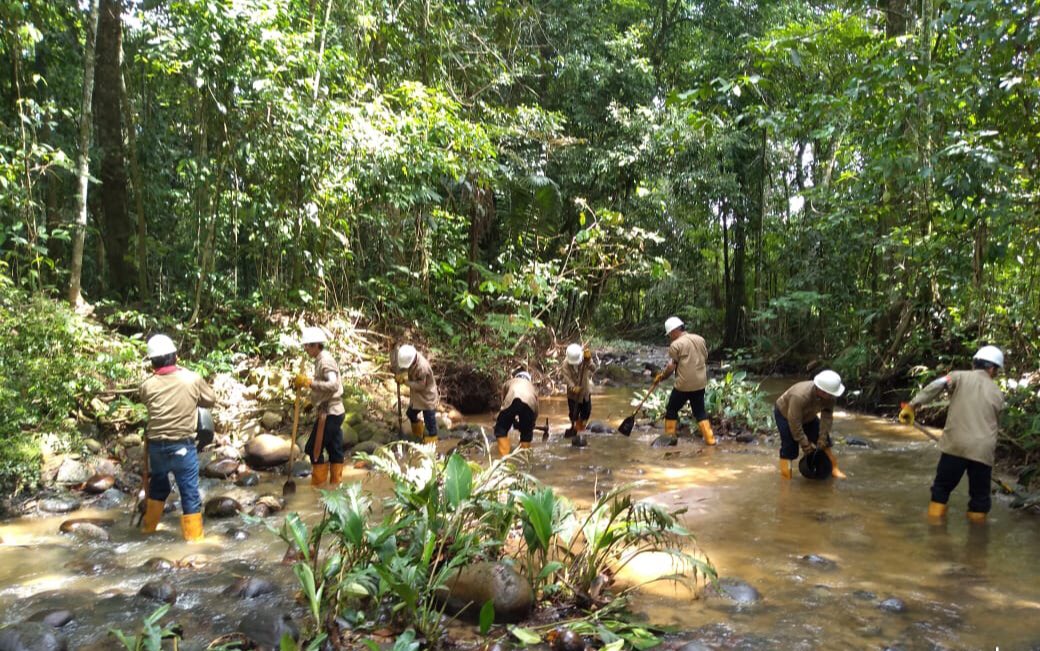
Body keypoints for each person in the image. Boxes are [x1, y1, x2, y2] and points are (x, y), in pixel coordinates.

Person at [900, 346, 1004, 523]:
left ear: (975, 363)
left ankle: (934, 530)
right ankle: (977, 542)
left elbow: (936, 386)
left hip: (955, 446)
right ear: (993, 369)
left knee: (941, 489)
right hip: (982, 451)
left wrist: (912, 405)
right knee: (980, 499)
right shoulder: (998, 393)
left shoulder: (958, 376)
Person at [139, 334, 216, 541]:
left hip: (156, 448)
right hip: (182, 446)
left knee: (159, 486)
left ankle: (148, 530)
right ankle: (194, 540)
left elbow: (147, 400)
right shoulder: (192, 378)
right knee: (189, 492)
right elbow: (210, 400)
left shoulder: (147, 385)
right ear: (175, 356)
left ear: (153, 361)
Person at [294, 327, 345, 487]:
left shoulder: (326, 360)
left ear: (316, 345)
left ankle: (318, 489)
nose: (306, 349)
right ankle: (336, 487)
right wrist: (312, 402)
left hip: (331, 413)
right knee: (334, 449)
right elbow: (324, 388)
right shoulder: (320, 359)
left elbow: (333, 384)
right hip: (331, 411)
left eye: (308, 346)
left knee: (312, 449)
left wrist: (309, 383)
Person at [774, 370, 847, 479]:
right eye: (831, 394)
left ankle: (834, 469)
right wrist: (805, 444)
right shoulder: (799, 396)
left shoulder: (830, 396)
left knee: (825, 442)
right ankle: (786, 478)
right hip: (785, 414)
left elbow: (826, 417)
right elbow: (795, 422)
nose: (833, 396)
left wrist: (822, 438)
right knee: (789, 448)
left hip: (809, 416)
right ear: (822, 391)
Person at [654, 317, 714, 446]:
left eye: (670, 333)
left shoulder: (676, 345)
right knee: (700, 412)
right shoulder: (700, 339)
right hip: (700, 383)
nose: (670, 336)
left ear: (675, 330)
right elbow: (705, 357)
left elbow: (671, 366)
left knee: (671, 409)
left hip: (683, 385)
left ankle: (669, 438)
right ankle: (710, 440)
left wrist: (662, 377)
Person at [396, 344, 439, 445]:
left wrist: (404, 382)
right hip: (417, 397)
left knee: (430, 425)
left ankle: (432, 444)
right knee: (411, 414)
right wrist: (400, 374)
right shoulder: (412, 359)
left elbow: (421, 386)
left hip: (427, 397)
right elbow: (403, 368)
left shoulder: (422, 367)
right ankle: (418, 435)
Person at [494, 371, 539, 457]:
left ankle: (504, 458)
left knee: (501, 429)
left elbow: (504, 403)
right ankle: (524, 457)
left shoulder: (509, 382)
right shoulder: (532, 387)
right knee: (526, 433)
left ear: (516, 377)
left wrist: (504, 419)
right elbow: (536, 408)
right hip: (530, 404)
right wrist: (531, 424)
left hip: (512, 399)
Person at [561, 343, 595, 438]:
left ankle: (581, 427)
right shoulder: (565, 364)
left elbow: (594, 369)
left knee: (587, 411)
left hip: (584, 392)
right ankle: (575, 427)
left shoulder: (585, 359)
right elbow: (567, 378)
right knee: (573, 414)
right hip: (572, 395)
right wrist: (573, 387)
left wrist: (588, 361)